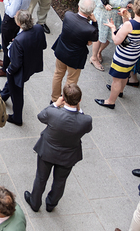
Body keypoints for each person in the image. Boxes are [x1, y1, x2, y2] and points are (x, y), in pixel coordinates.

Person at [25, 83, 92, 213]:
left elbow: (40, 116)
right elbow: (87, 128)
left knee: (41, 178)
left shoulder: (52, 113)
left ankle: (35, 202)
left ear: (63, 98)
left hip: (47, 152)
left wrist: (55, 104)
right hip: (68, 156)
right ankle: (51, 204)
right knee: (60, 181)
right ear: (80, 100)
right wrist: (80, 111)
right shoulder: (86, 120)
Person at [97, 0, 140, 109]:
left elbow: (116, 40)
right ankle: (120, 91)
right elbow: (133, 28)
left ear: (135, 9)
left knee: (116, 80)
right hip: (134, 54)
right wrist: (126, 17)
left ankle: (110, 102)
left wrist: (113, 28)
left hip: (123, 56)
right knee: (125, 74)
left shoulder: (128, 25)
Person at [2, 10, 46, 126]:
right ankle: (3, 95)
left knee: (17, 93)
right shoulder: (39, 28)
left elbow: (16, 64)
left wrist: (9, 70)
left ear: (19, 23)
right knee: (11, 84)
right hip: (32, 64)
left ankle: (17, 118)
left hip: (19, 70)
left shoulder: (19, 40)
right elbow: (43, 45)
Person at [51, 0, 98, 102]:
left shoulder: (68, 15)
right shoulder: (90, 29)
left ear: (78, 7)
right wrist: (94, 21)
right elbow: (93, 39)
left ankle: (54, 99)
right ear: (91, 12)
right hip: (75, 57)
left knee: (58, 74)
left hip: (62, 51)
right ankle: (66, 101)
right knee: (71, 81)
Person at [90, 0, 138, 69]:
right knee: (99, 37)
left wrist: (128, 7)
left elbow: (132, 6)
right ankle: (93, 57)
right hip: (102, 15)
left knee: (109, 37)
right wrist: (104, 5)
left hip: (116, 19)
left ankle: (99, 52)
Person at [0, 0, 34, 73]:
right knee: (13, 41)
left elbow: (10, 12)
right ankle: (7, 61)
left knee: (6, 44)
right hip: (22, 16)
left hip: (11, 20)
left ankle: (5, 68)